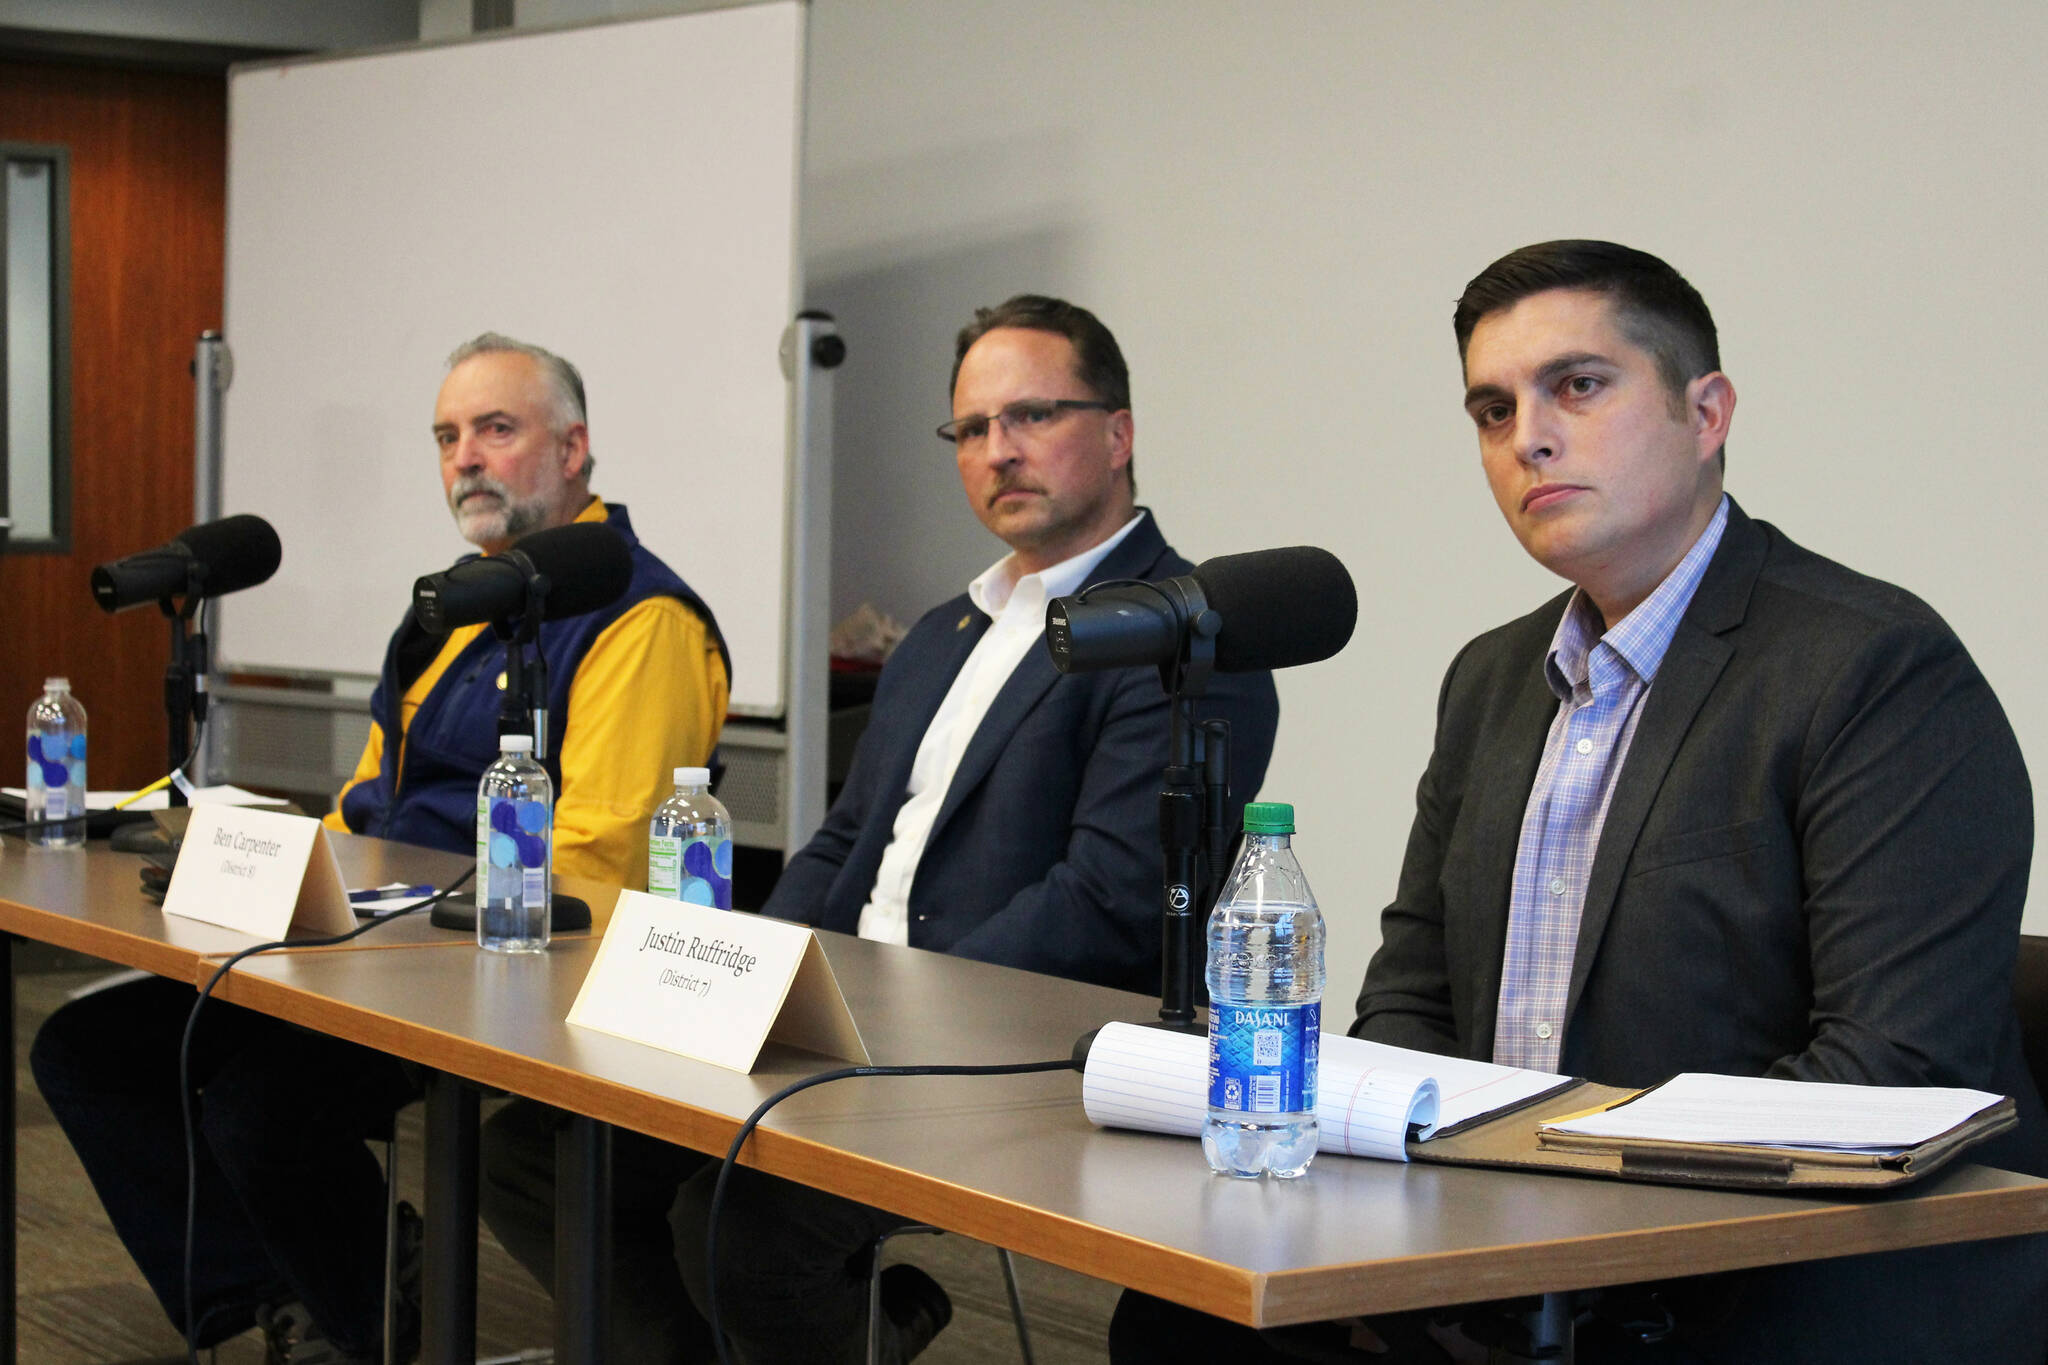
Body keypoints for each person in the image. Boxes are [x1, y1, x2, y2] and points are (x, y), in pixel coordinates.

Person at [1110, 241, 2048, 1363]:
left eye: (1578, 386)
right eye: (1490, 410)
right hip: (1512, 1262)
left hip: (1771, 1284)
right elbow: (1410, 992)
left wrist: (1553, 1180)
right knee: (1181, 1321)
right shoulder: (1491, 678)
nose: (1528, 437)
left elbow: (1886, 1078)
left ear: (1706, 413)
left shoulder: (1873, 668)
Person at [477, 294, 1282, 1363]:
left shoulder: (1183, 634)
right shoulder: (946, 630)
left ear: (1119, 432)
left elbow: (1105, 902)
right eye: (973, 429)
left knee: (740, 1222)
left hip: (1008, 1053)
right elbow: (839, 844)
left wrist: (867, 1015)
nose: (999, 451)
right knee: (535, 1152)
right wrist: (738, 979)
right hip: (848, 1030)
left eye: (1033, 416)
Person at [31, 333, 728, 1365]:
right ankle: (276, 1299)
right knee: (88, 1053)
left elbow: (598, 863)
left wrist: (379, 915)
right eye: (447, 436)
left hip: (501, 966)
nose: (464, 459)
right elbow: (366, 807)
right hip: (368, 944)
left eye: (497, 429)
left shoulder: (643, 616)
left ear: (575, 449)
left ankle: (381, 1327)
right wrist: (258, 865)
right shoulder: (455, 605)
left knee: (263, 1110)